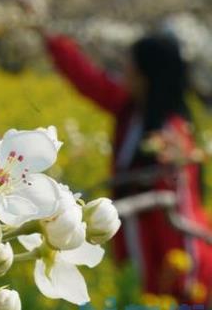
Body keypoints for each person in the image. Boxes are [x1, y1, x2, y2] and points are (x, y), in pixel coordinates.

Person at [44, 33, 212, 304]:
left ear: (147, 76)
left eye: (130, 66)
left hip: (179, 281)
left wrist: (184, 285)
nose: (124, 71)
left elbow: (183, 216)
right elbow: (90, 81)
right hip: (139, 271)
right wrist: (55, 42)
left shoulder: (171, 138)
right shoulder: (131, 110)